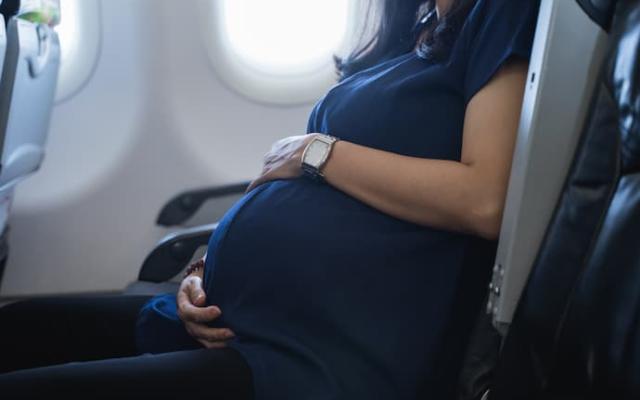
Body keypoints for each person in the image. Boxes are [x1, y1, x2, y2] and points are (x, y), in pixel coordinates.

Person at [0, 0, 540, 398]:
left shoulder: (500, 12)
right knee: (21, 327)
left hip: (310, 361)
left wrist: (314, 151)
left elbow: (484, 199)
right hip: (233, 322)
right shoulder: (416, 26)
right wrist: (203, 270)